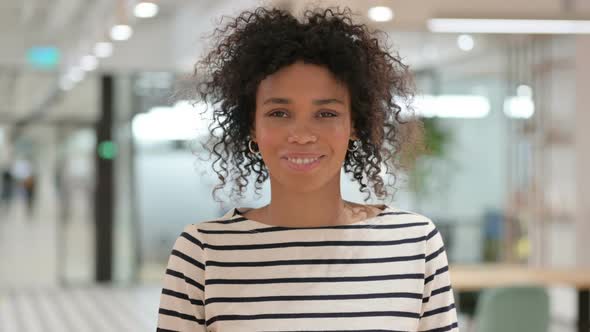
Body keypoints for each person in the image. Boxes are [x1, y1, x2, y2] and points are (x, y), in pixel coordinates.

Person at [157, 7, 458, 331]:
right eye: (279, 113)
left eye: (326, 113)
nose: (301, 134)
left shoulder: (414, 242)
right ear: (252, 127)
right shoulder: (202, 252)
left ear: (354, 125)